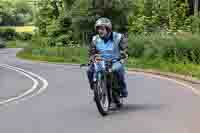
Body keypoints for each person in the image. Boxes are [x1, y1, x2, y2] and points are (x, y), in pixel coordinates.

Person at [87, 17, 128, 97]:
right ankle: (96, 88)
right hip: (101, 61)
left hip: (115, 60)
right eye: (98, 29)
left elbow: (124, 48)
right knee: (89, 71)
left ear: (108, 29)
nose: (100, 31)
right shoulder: (95, 39)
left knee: (117, 70)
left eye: (102, 29)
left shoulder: (118, 37)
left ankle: (122, 89)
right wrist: (92, 57)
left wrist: (123, 55)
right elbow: (91, 51)